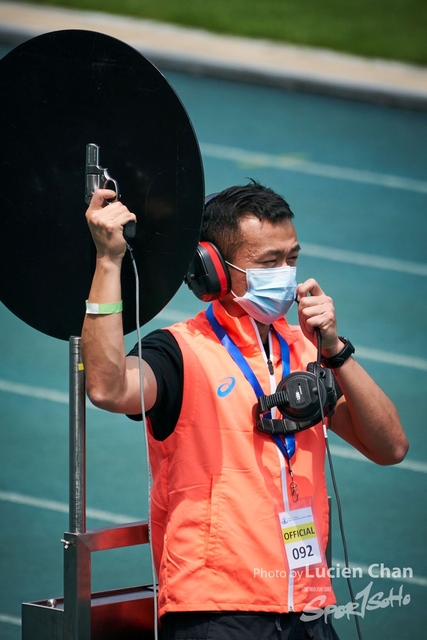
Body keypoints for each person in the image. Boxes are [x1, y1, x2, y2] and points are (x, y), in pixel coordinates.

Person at [82, 181, 408, 640]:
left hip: (307, 607)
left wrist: (335, 350)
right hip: (216, 610)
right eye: (268, 262)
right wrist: (108, 261)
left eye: (291, 259)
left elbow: (390, 446)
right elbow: (106, 388)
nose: (286, 274)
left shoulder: (308, 350)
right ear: (213, 269)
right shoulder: (178, 352)